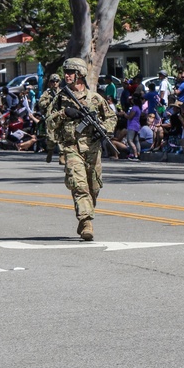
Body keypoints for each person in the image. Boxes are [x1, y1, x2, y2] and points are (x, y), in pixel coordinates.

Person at [46, 58, 117, 242]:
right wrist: (64, 113)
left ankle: (85, 213)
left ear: (80, 75)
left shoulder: (95, 98)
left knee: (93, 187)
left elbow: (111, 117)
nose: (67, 75)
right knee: (79, 186)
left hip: (93, 149)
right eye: (66, 72)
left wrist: (104, 132)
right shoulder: (61, 98)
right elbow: (49, 122)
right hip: (71, 148)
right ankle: (86, 221)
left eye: (71, 72)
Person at [38, 73, 63, 163]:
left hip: (61, 117)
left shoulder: (63, 92)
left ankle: (62, 155)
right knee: (51, 138)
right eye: (53, 81)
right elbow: (41, 103)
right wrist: (49, 100)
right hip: (51, 118)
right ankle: (50, 151)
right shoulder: (47, 93)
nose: (55, 83)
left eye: (56, 81)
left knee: (62, 137)